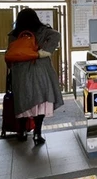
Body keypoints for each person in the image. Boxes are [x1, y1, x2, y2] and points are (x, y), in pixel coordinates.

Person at [8, 8, 64, 145]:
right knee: (41, 102)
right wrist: (42, 52)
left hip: (20, 72)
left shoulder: (15, 34)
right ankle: (37, 134)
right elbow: (56, 34)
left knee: (22, 101)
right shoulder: (44, 31)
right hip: (40, 70)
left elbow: (10, 54)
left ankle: (21, 131)